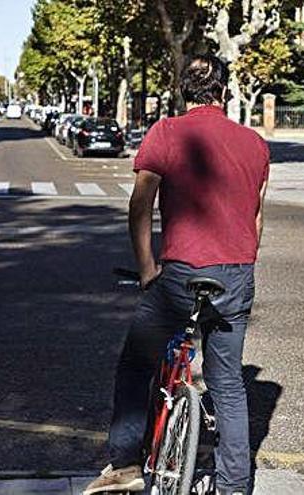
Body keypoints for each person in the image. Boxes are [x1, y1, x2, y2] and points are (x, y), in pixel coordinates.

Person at [83, 54, 270, 495]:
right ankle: (234, 485)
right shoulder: (254, 143)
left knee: (136, 363)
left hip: (180, 274)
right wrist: (243, 262)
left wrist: (148, 267)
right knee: (226, 382)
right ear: (224, 92)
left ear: (183, 92)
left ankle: (127, 464)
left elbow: (139, 206)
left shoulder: (166, 133)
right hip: (237, 273)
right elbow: (257, 217)